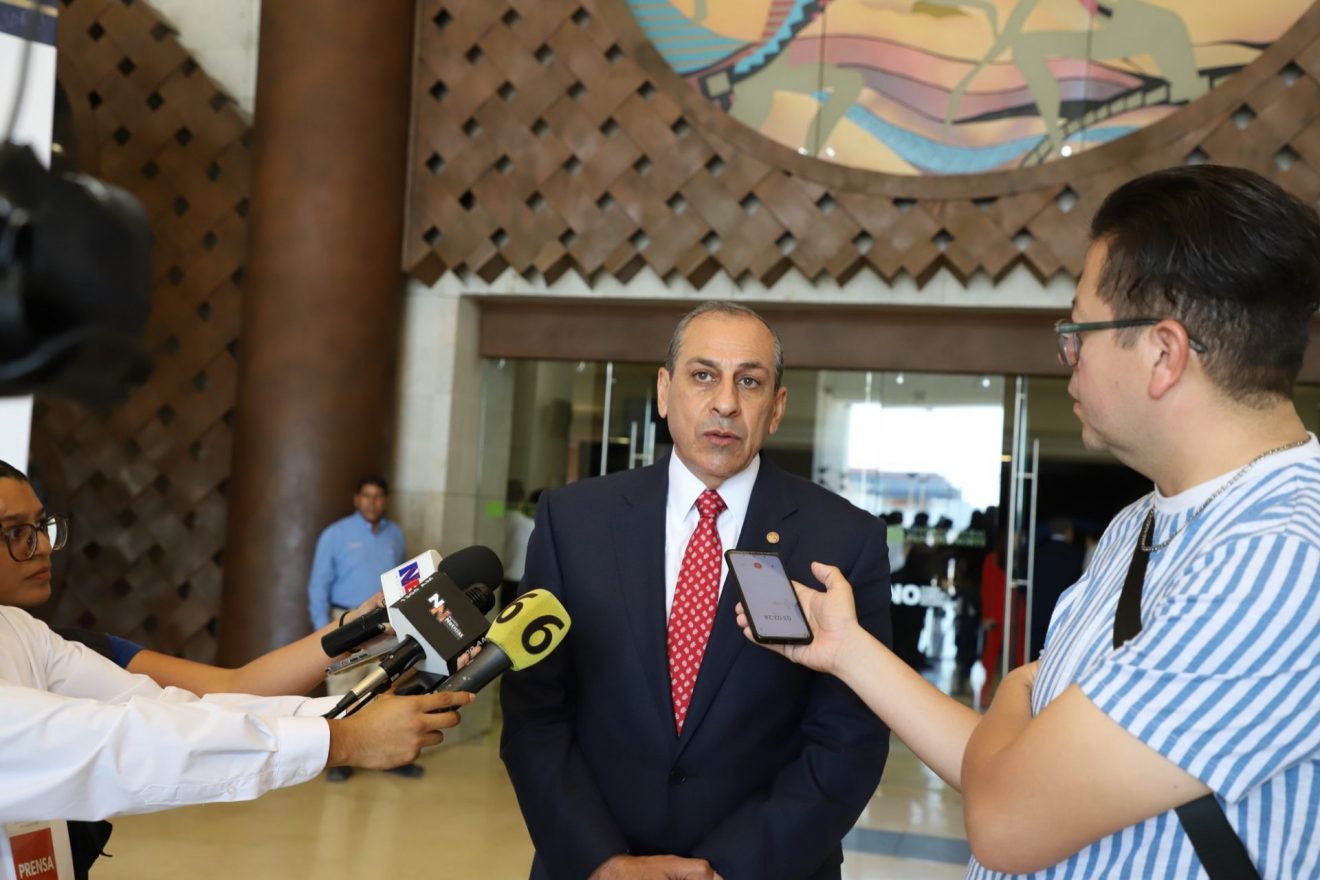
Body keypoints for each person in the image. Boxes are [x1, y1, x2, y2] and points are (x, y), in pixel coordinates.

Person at [737, 164, 1320, 878]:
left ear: (1163, 353)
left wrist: (1017, 688)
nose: (1069, 358)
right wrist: (846, 649)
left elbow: (1006, 818)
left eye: (1079, 331)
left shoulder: (1280, 559)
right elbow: (1000, 766)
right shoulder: (1140, 524)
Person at [501, 301, 892, 880]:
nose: (726, 402)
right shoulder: (574, 520)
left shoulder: (844, 540)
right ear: (665, 392)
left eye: (749, 382)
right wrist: (602, 861)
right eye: (703, 375)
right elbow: (535, 713)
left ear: (777, 407)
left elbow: (849, 739)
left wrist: (727, 869)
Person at [0, 460, 474, 878]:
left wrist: (355, 702)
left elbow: (178, 707)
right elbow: (123, 742)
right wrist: (344, 739)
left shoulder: (24, 632)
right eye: (15, 532)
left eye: (41, 525)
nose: (41, 546)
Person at [305, 473, 411, 780]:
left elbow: (401, 580)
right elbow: (317, 586)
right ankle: (338, 760)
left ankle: (390, 755)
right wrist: (326, 634)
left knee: (386, 686)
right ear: (356, 499)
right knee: (342, 691)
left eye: (378, 497)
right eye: (366, 496)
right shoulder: (335, 534)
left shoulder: (395, 535)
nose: (372, 502)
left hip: (387, 622)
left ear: (385, 501)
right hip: (348, 619)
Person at [1027, 516, 1083, 661]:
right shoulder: (1075, 553)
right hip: (1063, 613)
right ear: (1068, 532)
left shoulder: (1037, 552)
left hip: (1038, 612)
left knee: (1034, 656)